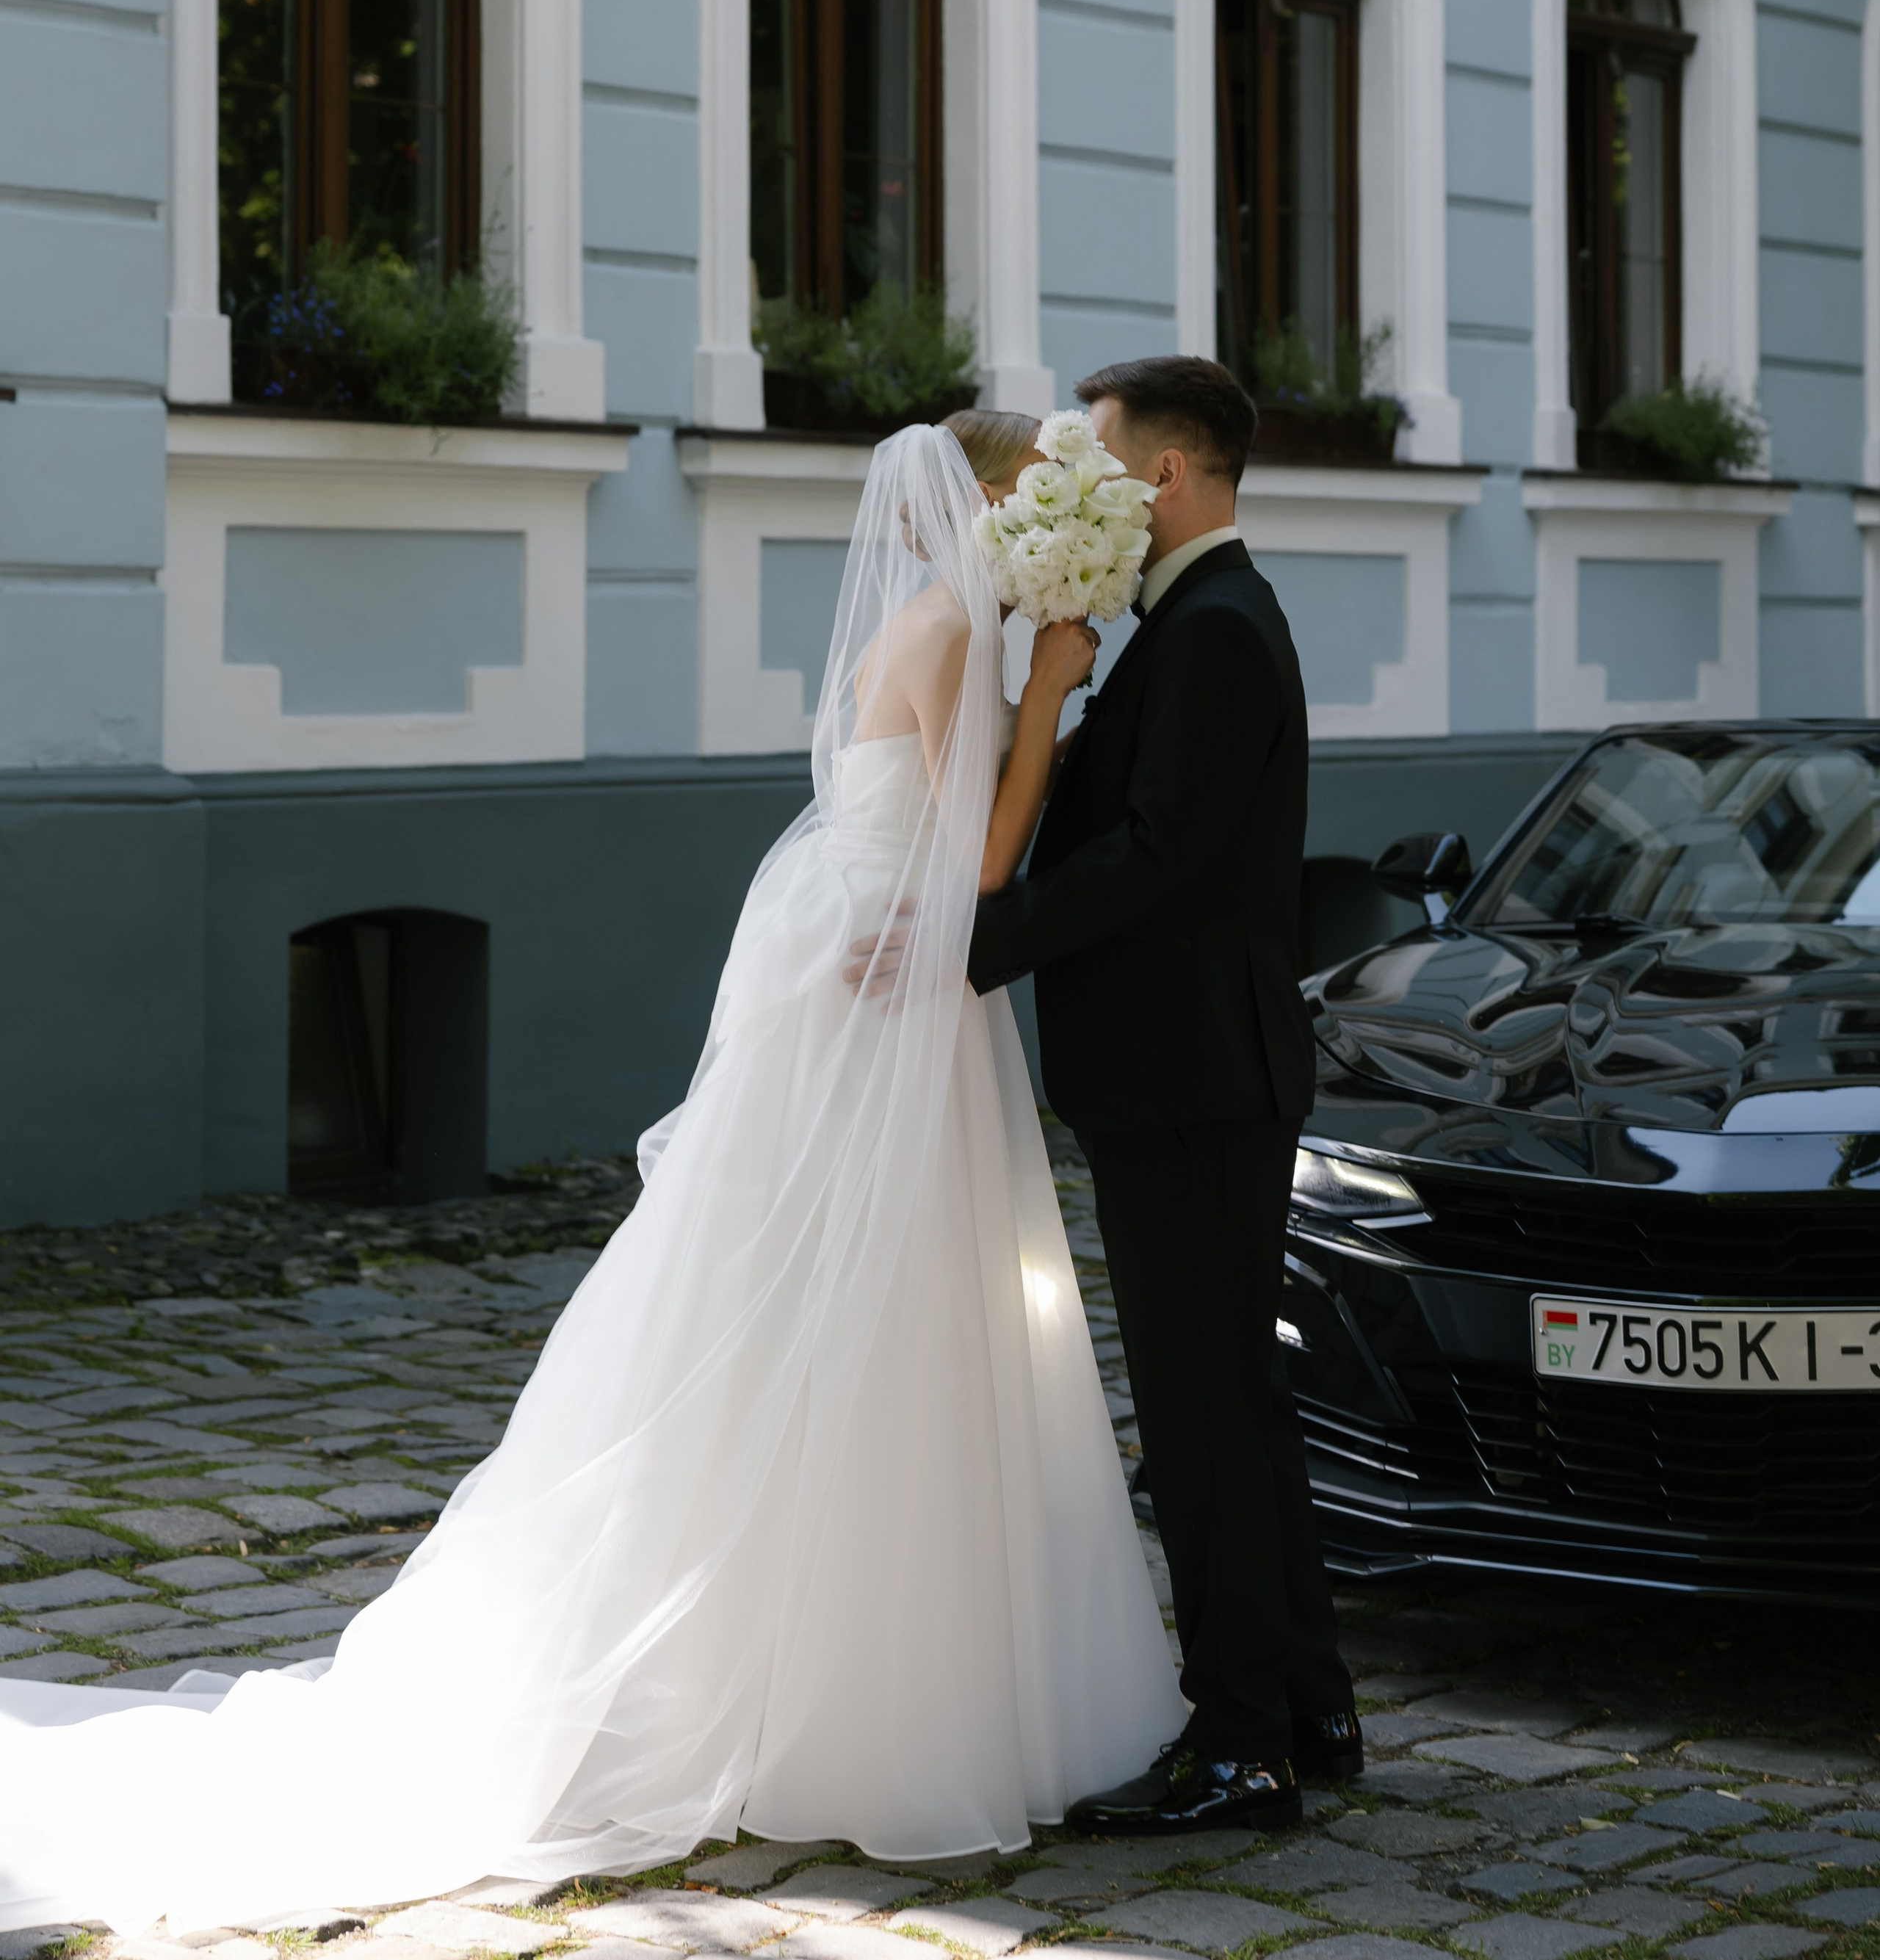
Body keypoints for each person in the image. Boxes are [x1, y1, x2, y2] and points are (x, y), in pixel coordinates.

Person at [0, 417, 1182, 1934]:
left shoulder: (925, 618)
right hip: (892, 985)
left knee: (838, 1301)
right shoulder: (962, 636)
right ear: (984, 515)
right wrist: (1056, 690)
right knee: (866, 1300)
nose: (1029, 544)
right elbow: (981, 863)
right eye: (1025, 511)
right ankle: (844, 1678)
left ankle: (833, 1652)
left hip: (870, 972)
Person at [968, 355, 1359, 1839]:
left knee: (1196, 1419)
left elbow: (1151, 857)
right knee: (1236, 1404)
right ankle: (1306, 1702)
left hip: (1190, 1078)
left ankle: (1238, 1744)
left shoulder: (1210, 631)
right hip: (1200, 1073)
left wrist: (975, 944)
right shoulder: (1204, 618)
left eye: (1100, 461)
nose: (1086, 487)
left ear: (1164, 481)